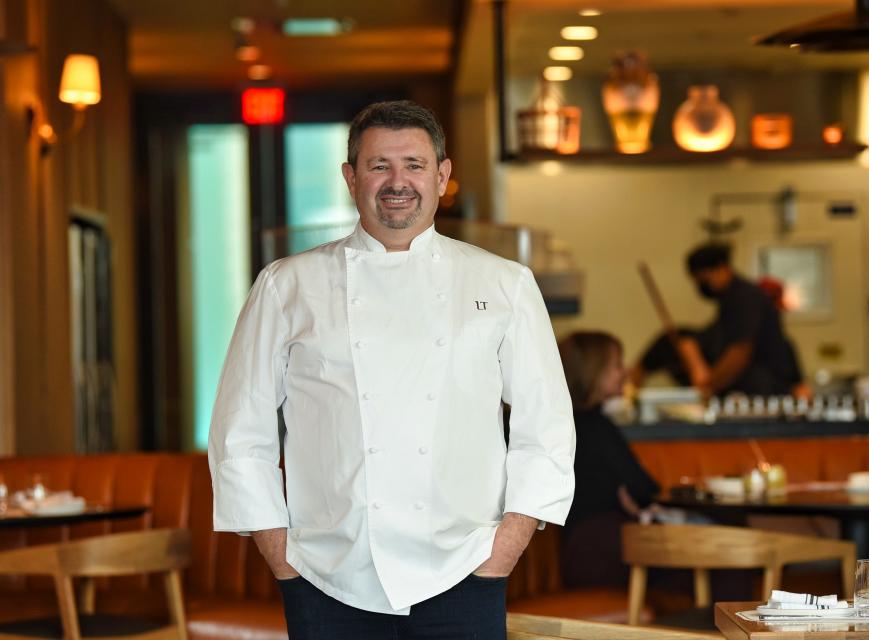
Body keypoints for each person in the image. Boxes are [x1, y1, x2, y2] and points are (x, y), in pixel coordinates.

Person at [207, 100, 576, 639]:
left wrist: (503, 551)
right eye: (380, 165)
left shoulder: (504, 283)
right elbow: (240, 431)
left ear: (443, 175)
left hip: (465, 572)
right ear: (350, 177)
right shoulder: (287, 285)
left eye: (415, 164)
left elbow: (546, 429)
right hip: (326, 577)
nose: (397, 181)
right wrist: (285, 562)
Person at [558, 331, 660, 588]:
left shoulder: (559, 423)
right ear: (594, 371)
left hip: (578, 549)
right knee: (722, 566)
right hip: (604, 550)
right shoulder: (595, 426)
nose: (625, 372)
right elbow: (644, 489)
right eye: (617, 365)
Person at [680, 243, 805, 398]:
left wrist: (709, 386)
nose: (702, 286)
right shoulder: (729, 301)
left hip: (766, 390)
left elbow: (739, 353)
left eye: (704, 280)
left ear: (721, 268)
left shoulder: (745, 299)